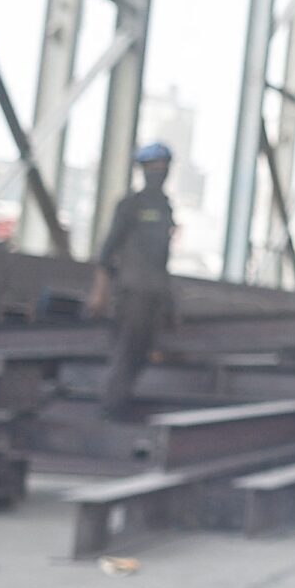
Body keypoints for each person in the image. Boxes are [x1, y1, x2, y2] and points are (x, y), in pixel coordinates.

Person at [88, 141, 176, 417]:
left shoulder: (165, 208)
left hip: (155, 293)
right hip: (133, 293)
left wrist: (170, 302)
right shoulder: (130, 205)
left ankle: (120, 405)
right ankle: (110, 409)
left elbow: (162, 260)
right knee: (126, 351)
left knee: (141, 352)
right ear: (143, 169)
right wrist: (100, 292)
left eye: (162, 166)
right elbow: (107, 252)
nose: (158, 171)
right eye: (152, 166)